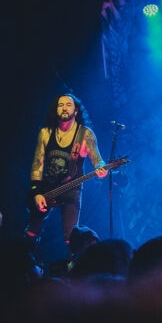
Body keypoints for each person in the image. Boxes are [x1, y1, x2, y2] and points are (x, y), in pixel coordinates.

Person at [24, 93, 108, 250]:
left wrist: (101, 168)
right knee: (32, 231)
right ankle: (24, 260)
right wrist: (36, 192)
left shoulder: (85, 134)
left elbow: (98, 160)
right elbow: (37, 164)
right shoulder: (46, 133)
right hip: (46, 189)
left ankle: (73, 267)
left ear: (76, 111)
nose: (64, 108)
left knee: (71, 236)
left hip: (72, 189)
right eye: (60, 105)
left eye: (68, 105)